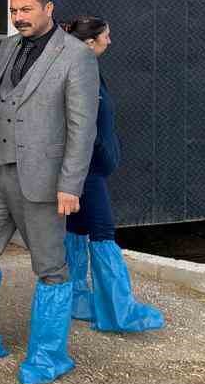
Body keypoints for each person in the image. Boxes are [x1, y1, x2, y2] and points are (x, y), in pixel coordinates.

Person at [0, 0, 99, 384]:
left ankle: (49, 356)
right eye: (14, 11)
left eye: (26, 10)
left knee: (52, 269)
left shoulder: (76, 57)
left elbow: (82, 127)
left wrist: (71, 184)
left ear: (48, 9)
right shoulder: (7, 46)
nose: (18, 18)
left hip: (44, 179)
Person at [60, 17, 165, 333]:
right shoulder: (80, 73)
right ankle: (119, 313)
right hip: (87, 169)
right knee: (103, 232)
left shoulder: (87, 69)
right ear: (90, 42)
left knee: (77, 230)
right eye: (107, 35)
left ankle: (77, 300)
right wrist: (103, 156)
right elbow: (81, 126)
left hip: (88, 167)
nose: (111, 40)